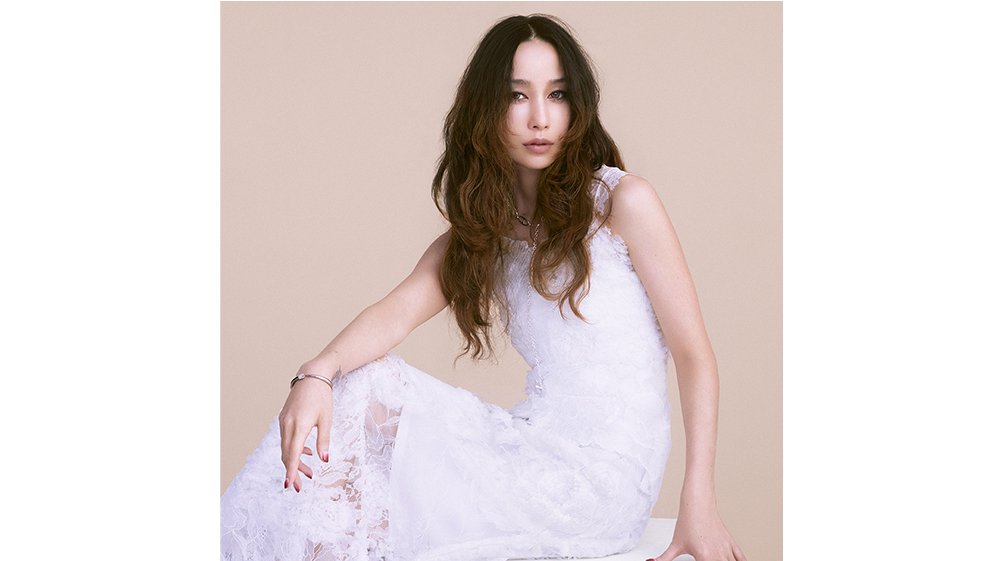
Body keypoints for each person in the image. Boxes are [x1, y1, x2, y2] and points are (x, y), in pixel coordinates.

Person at [222, 13, 747, 561]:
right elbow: (395, 314)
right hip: (530, 447)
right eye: (518, 96)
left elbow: (695, 357)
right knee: (355, 388)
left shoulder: (622, 203)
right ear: (486, 109)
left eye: (557, 94)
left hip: (600, 484)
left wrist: (699, 503)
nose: (540, 118)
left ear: (577, 106)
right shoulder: (487, 234)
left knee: (372, 393)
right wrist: (315, 374)